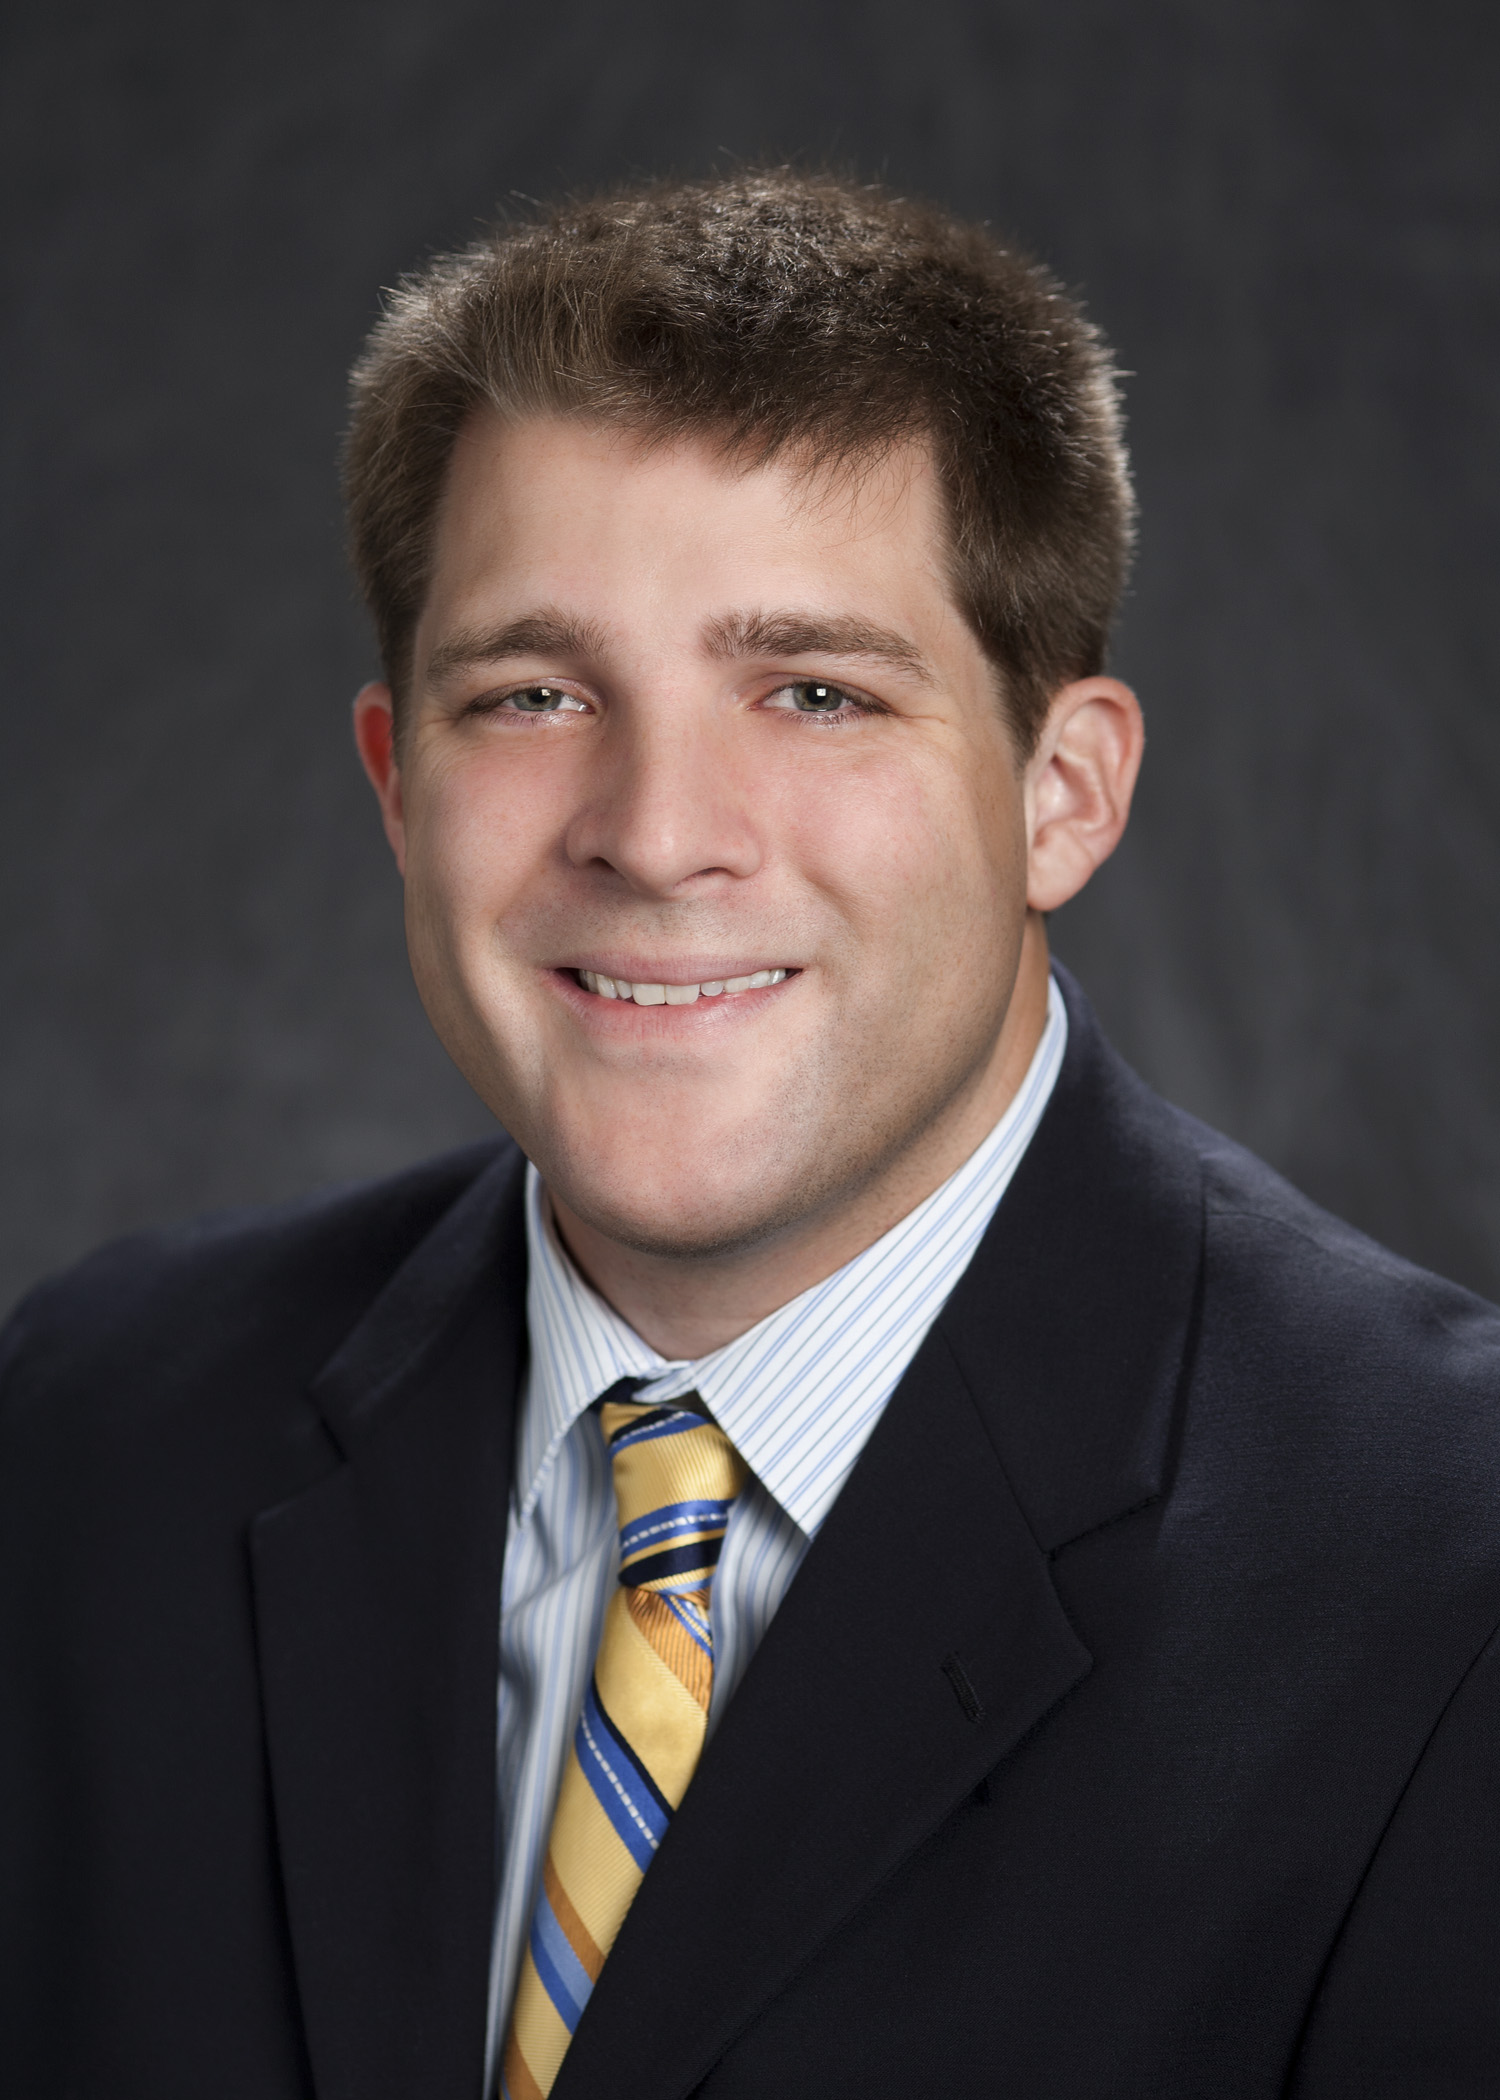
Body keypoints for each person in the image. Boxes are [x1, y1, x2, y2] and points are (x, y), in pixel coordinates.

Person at [3, 169, 1498, 2100]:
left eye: (813, 691)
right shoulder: (93, 1438)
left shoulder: (1450, 1576)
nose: (654, 832)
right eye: (533, 694)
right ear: (396, 783)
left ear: (1062, 791)